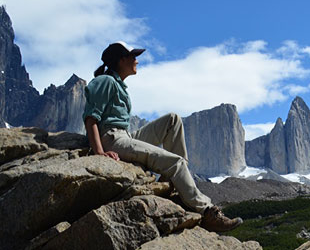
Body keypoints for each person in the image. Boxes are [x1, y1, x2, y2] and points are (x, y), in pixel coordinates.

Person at [83, 41, 242, 232]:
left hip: (125, 135)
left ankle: (172, 185)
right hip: (113, 139)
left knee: (172, 120)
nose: (137, 61)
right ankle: (207, 211)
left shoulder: (118, 84)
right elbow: (91, 118)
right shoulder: (105, 81)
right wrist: (100, 152)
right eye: (134, 57)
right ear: (122, 59)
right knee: (176, 162)